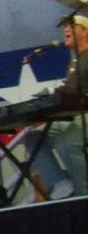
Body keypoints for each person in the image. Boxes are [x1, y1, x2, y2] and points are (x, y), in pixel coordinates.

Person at [30, 14, 88, 199]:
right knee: (33, 139)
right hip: (74, 115)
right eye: (64, 26)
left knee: (66, 137)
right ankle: (61, 184)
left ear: (86, 32)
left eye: (71, 25)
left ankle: (82, 194)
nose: (66, 29)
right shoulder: (74, 62)